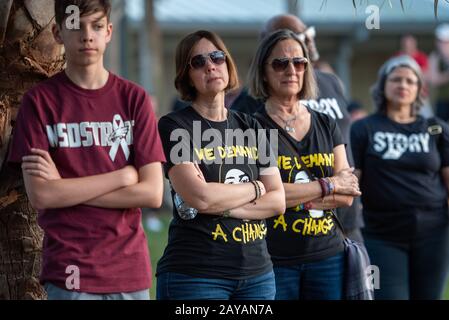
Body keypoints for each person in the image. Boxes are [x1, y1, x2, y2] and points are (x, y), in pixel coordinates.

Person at [7, 0, 166, 300]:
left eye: (95, 26)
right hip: (69, 270)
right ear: (57, 33)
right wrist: (122, 177)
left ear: (108, 32)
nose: (86, 36)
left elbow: (152, 192)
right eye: (75, 26)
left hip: (128, 270)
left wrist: (65, 188)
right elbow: (42, 195)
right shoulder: (39, 103)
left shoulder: (135, 100)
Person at [156, 30, 285, 300]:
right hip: (196, 276)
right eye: (198, 62)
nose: (211, 65)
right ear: (186, 74)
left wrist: (220, 206)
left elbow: (278, 202)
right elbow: (200, 197)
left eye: (217, 57)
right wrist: (258, 187)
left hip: (257, 276)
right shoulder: (175, 126)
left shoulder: (254, 126)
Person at [248, 29, 361, 300]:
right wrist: (327, 185)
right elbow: (259, 194)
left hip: (328, 256)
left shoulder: (325, 122)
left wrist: (289, 198)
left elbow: (346, 196)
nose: (291, 70)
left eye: (299, 62)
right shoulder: (251, 127)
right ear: (264, 71)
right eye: (280, 63)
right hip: (274, 259)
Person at [231, 14, 365, 243]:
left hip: (344, 222)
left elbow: (346, 167)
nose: (309, 39)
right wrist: (325, 188)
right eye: (299, 35)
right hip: (284, 233)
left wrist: (345, 187)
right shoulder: (249, 102)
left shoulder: (331, 82)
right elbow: (256, 186)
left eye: (308, 33)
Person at [351, 55, 449, 300]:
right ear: (383, 85)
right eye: (395, 79)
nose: (403, 85)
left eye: (410, 81)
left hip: (434, 235)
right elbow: (352, 181)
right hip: (382, 236)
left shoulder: (435, 128)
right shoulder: (364, 128)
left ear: (419, 89)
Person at [428, 24, 449, 122]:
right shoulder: (435, 56)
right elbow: (434, 80)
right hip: (442, 101)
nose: (442, 44)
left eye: (445, 42)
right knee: (440, 130)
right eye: (440, 41)